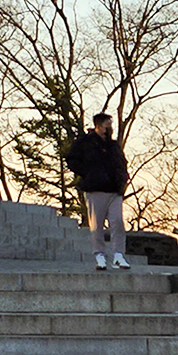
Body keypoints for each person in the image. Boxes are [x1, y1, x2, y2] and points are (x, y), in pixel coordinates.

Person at [66, 112, 130, 270]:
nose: (109, 130)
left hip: (114, 190)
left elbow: (121, 162)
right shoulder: (85, 143)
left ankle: (118, 254)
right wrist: (88, 173)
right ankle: (99, 255)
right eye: (107, 126)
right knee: (97, 225)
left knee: (117, 222)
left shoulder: (113, 145)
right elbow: (71, 159)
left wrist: (122, 178)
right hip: (95, 189)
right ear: (99, 126)